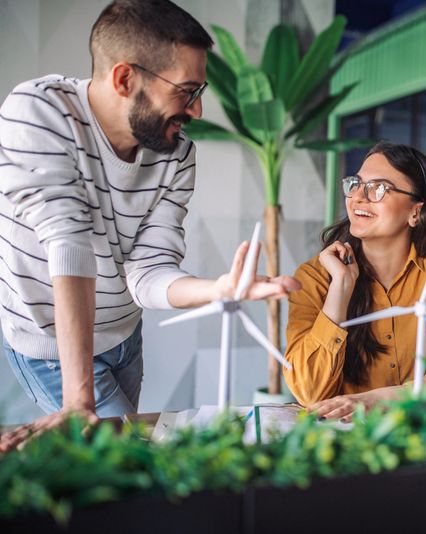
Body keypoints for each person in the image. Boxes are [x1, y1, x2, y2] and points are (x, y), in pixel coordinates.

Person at [0, 0, 299, 449]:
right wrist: (78, 400)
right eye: (187, 91)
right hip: (52, 346)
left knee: (115, 470)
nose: (196, 111)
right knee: (131, 460)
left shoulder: (176, 154)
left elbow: (148, 272)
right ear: (125, 78)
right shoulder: (37, 112)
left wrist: (219, 290)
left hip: (125, 335)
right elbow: (68, 241)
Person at [284, 142, 426, 421]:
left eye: (378, 188)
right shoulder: (315, 277)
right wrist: (340, 290)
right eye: (356, 184)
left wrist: (379, 399)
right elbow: (309, 392)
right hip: (343, 438)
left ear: (415, 212)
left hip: (425, 429)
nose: (358, 197)